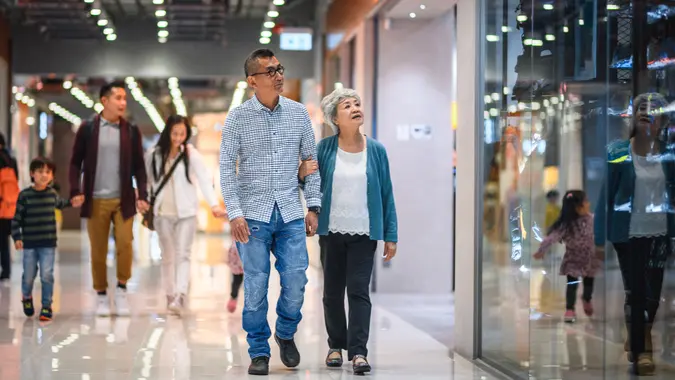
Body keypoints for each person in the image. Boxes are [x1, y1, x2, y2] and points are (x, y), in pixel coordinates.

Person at [219, 48, 322, 376]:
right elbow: (226, 169)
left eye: (280, 69)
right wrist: (234, 213)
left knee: (296, 280)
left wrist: (314, 205)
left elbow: (311, 163)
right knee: (256, 285)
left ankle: (286, 332)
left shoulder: (298, 113)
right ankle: (259, 349)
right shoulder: (237, 117)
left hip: (291, 210)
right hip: (252, 216)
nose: (279, 75)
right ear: (253, 81)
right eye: (271, 71)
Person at [302, 88, 398, 374]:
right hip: (331, 231)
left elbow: (386, 193)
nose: (356, 108)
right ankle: (335, 345)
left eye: (357, 103)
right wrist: (311, 207)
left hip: (364, 233)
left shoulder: (377, 150)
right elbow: (312, 184)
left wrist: (390, 234)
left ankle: (358, 352)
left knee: (358, 292)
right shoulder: (325, 148)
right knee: (332, 293)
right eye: (347, 105)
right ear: (335, 117)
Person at [594, 92, 673, 376]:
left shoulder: (669, 152)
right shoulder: (617, 152)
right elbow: (606, 196)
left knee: (653, 294)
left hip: (659, 232)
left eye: (653, 109)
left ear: (662, 120)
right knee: (636, 292)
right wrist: (598, 239)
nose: (646, 112)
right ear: (634, 116)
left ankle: (639, 334)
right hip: (627, 234)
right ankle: (643, 351)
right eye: (641, 107)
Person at [69, 81, 149, 317]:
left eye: (125, 98)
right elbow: (75, 162)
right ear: (104, 101)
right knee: (98, 250)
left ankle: (122, 289)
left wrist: (142, 195)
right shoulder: (88, 129)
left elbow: (140, 168)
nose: (123, 102)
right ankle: (101, 294)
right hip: (96, 199)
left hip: (123, 199)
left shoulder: (131, 131)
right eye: (118, 98)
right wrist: (75, 190)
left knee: (125, 244)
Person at [145, 115, 225, 315]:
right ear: (168, 132)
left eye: (182, 134)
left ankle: (180, 295)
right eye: (175, 133)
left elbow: (205, 180)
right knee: (167, 256)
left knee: (183, 254)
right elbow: (149, 182)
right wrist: (144, 201)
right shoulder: (154, 154)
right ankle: (170, 294)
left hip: (187, 212)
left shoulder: (191, 154)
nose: (178, 137)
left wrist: (214, 204)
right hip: (162, 213)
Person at [12, 158, 83, 321]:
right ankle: (27, 296)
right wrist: (17, 237)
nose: (44, 175)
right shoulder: (25, 196)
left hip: (48, 243)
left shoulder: (52, 194)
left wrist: (73, 202)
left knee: (47, 274)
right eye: (40, 171)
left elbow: (61, 203)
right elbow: (16, 219)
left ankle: (46, 306)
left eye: (48, 172)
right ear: (32, 174)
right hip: (29, 243)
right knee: (29, 274)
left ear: (52, 176)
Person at [533, 190, 599, 323]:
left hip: (589, 261)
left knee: (588, 285)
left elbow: (602, 230)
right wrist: (542, 250)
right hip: (573, 260)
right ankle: (570, 309)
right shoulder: (567, 224)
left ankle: (586, 298)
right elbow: (553, 237)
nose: (588, 204)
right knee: (572, 285)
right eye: (585, 202)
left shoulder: (592, 219)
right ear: (576, 207)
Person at [0, 133, 19, 283]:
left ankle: (5, 271)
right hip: (10, 207)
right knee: (4, 241)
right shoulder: (11, 160)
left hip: (1, 205)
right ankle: (6, 271)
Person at [226, 241, 243, 313]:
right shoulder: (236, 245)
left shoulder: (235, 244)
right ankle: (233, 299)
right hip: (238, 268)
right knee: (236, 282)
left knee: (236, 283)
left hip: (237, 267)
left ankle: (233, 298)